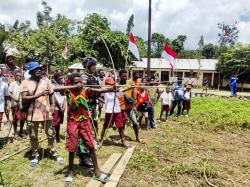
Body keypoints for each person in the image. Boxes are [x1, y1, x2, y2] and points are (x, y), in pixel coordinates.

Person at [55, 73, 112, 183]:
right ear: (71, 83)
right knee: (72, 147)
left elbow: (99, 91)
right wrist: (72, 87)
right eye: (76, 82)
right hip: (73, 122)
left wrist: (111, 88)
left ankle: (97, 172)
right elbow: (55, 88)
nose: (79, 84)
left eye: (80, 82)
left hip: (85, 122)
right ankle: (70, 172)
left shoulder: (85, 90)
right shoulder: (68, 91)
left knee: (90, 145)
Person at [20, 61, 63, 167]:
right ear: (31, 71)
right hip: (31, 114)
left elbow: (52, 93)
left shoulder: (46, 80)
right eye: (36, 69)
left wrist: (53, 105)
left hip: (46, 113)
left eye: (40, 68)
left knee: (51, 134)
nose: (39, 70)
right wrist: (39, 94)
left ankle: (54, 153)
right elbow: (24, 97)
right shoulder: (25, 82)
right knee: (33, 136)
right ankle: (35, 155)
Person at [100, 77, 128, 147]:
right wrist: (104, 102)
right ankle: (101, 139)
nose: (111, 85)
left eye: (112, 84)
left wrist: (118, 90)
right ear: (106, 84)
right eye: (109, 84)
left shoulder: (116, 89)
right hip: (109, 111)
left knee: (120, 126)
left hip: (117, 110)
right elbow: (98, 95)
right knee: (105, 126)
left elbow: (122, 93)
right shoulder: (104, 91)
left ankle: (123, 141)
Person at [117, 69, 144, 143]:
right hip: (121, 107)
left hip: (129, 106)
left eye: (126, 76)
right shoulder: (117, 85)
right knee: (122, 124)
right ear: (120, 76)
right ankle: (122, 138)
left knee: (135, 122)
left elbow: (133, 91)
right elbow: (118, 95)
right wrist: (121, 91)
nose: (124, 77)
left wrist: (133, 101)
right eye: (123, 76)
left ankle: (137, 138)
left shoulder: (130, 82)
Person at [9, 70, 25, 138]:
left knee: (22, 119)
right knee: (15, 119)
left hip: (22, 104)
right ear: (15, 76)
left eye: (20, 75)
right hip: (15, 104)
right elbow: (10, 93)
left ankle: (21, 132)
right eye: (17, 75)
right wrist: (15, 99)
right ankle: (15, 132)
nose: (19, 77)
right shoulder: (13, 84)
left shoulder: (24, 84)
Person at [52, 72, 66, 143]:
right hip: (56, 108)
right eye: (59, 78)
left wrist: (64, 106)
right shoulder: (53, 86)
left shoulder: (62, 85)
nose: (61, 80)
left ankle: (57, 135)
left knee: (59, 123)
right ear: (55, 79)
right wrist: (60, 108)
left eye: (62, 78)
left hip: (61, 107)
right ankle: (54, 137)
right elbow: (54, 98)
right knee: (55, 123)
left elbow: (64, 97)